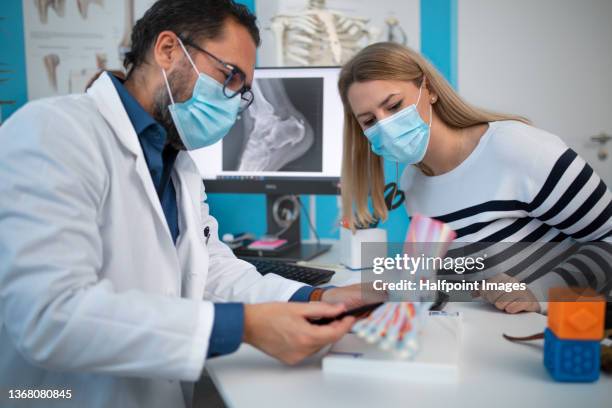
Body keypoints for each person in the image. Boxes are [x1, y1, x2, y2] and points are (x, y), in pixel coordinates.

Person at [0, 1, 375, 407]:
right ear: (167, 50)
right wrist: (244, 327)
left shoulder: (178, 164)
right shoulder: (53, 132)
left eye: (243, 92)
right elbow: (50, 316)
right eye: (228, 76)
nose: (234, 104)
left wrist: (316, 299)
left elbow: (210, 270)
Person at [338, 42, 612, 314]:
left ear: (429, 90)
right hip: (487, 337)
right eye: (370, 121)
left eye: (394, 105)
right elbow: (466, 273)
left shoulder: (517, 148)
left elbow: (607, 236)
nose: (385, 125)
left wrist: (538, 292)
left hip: (563, 331)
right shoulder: (413, 181)